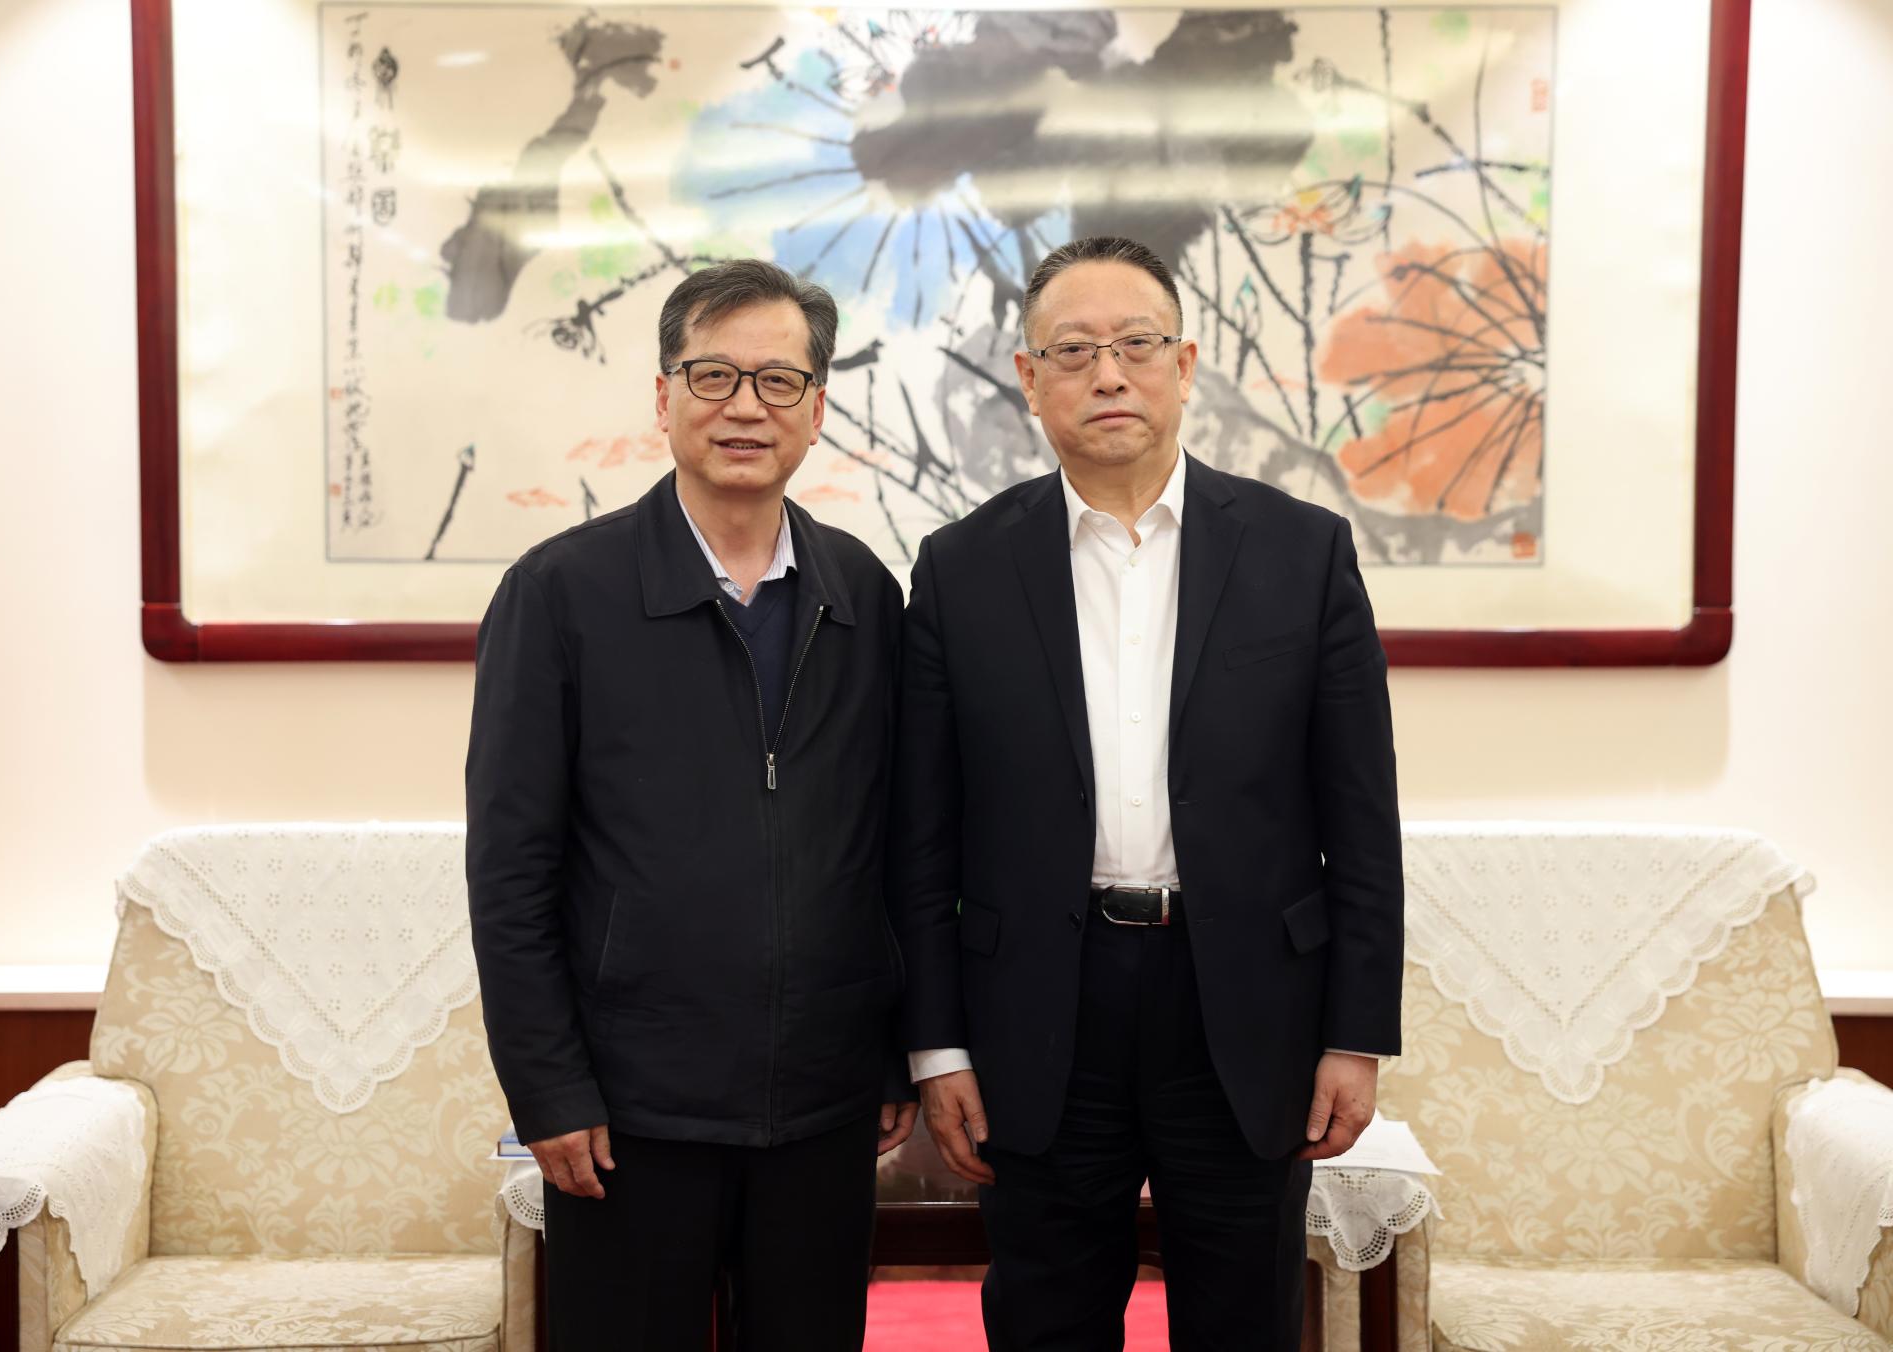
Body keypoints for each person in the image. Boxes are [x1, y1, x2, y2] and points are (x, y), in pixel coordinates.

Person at [889, 235, 1404, 1349]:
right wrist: (938, 1049)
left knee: (1244, 1319)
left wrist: (1356, 1033)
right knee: (1047, 1317)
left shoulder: (1303, 553)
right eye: (1073, 351)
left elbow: (1361, 819)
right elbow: (921, 838)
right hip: (1039, 1008)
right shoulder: (960, 569)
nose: (1108, 374)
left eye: (1136, 344)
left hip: (1245, 1005)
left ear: (1186, 363)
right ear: (1029, 379)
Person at [466, 258, 916, 1351]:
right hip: (630, 1110)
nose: (745, 407)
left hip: (823, 1104)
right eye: (713, 376)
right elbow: (511, 869)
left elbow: (895, 845)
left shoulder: (863, 592)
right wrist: (549, 1087)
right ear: (663, 396)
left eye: (778, 380)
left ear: (817, 406)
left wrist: (892, 1052)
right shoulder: (560, 592)